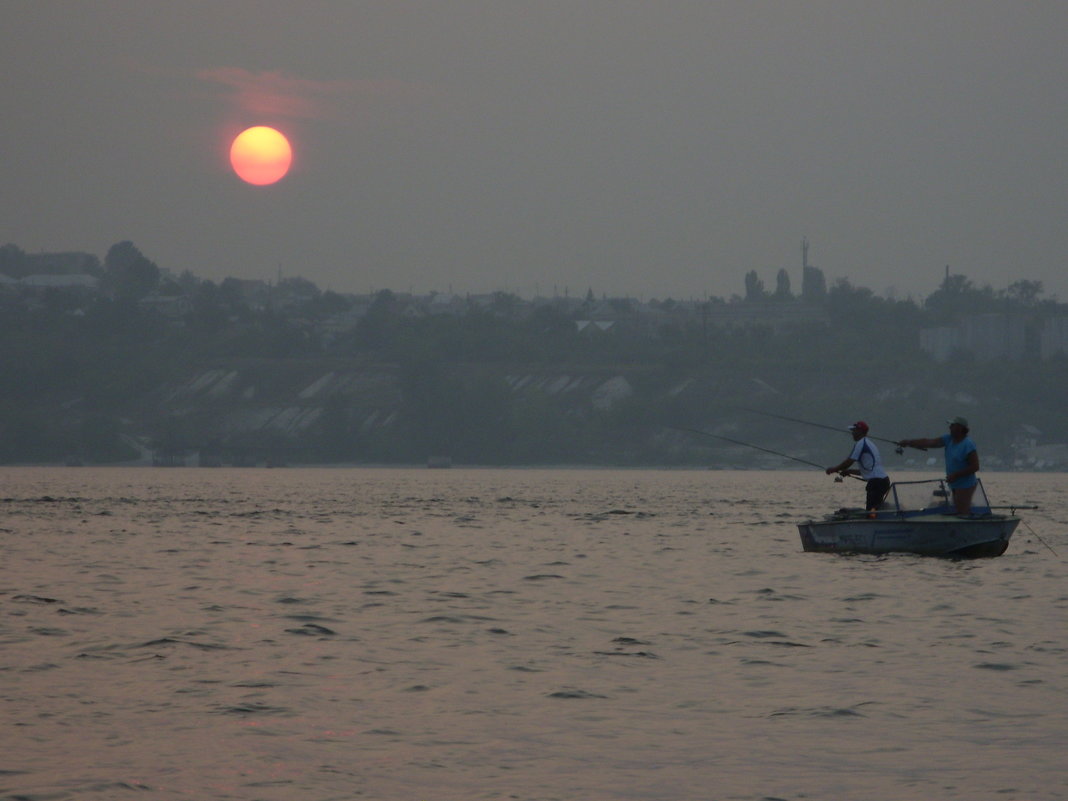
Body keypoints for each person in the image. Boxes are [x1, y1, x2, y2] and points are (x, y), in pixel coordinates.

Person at [897, 416, 980, 515]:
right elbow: (929, 442)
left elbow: (975, 467)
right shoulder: (948, 439)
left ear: (960, 428)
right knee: (958, 510)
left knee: (963, 512)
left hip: (966, 484)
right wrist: (909, 442)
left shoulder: (968, 444)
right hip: (954, 483)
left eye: (952, 425)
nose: (950, 427)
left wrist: (955, 475)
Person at [826, 421, 891, 514]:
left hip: (876, 484)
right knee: (875, 510)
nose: (852, 433)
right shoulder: (870, 443)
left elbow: (850, 461)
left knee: (871, 513)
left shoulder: (861, 443)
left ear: (860, 431)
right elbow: (866, 471)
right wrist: (849, 471)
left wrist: (833, 469)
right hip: (882, 481)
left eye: (854, 430)